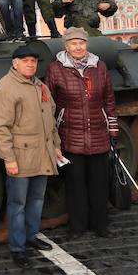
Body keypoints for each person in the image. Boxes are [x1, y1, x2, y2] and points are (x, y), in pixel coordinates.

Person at [0, 46, 62, 268]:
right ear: (15, 63)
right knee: (17, 203)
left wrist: (56, 147)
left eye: (33, 60)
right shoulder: (6, 87)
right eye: (25, 61)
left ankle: (31, 236)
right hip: (21, 156)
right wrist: (8, 158)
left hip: (41, 153)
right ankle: (17, 247)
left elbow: (50, 120)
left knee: (36, 200)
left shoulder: (39, 85)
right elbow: (0, 128)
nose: (30, 64)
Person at [45, 27, 119, 239]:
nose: (78, 47)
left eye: (81, 43)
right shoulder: (55, 69)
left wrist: (112, 129)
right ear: (66, 46)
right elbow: (49, 103)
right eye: (73, 43)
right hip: (70, 134)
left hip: (97, 132)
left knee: (99, 183)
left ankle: (100, 224)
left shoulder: (100, 67)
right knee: (75, 185)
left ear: (86, 44)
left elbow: (109, 100)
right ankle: (77, 226)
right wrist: (53, 136)